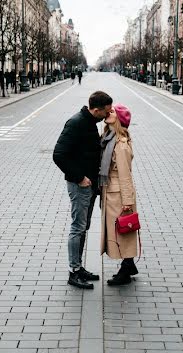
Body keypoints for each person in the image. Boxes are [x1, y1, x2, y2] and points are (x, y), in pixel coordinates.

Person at [53, 90, 113, 290]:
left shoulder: (90, 123)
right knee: (78, 227)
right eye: (106, 112)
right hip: (80, 185)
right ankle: (74, 271)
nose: (107, 115)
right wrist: (80, 178)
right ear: (95, 110)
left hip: (89, 185)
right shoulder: (76, 123)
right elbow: (59, 155)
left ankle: (79, 268)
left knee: (83, 226)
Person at [100, 104, 138, 285]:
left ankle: (125, 270)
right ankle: (129, 264)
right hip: (112, 192)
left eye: (113, 112)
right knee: (121, 231)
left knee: (122, 231)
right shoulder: (109, 138)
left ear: (119, 120)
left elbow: (125, 174)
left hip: (119, 195)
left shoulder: (120, 144)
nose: (108, 113)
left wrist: (128, 202)